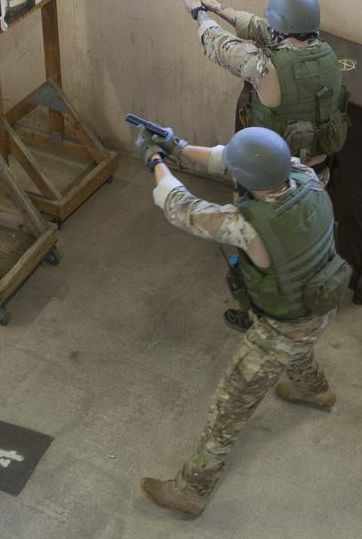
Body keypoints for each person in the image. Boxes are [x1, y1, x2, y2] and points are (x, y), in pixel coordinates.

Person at [135, 125, 349, 518]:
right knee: (299, 344)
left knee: (227, 408)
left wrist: (155, 160)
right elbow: (227, 159)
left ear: (246, 180)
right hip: (322, 302)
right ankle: (314, 391)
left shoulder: (248, 225)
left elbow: (178, 206)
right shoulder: (304, 175)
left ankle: (191, 491)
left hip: (283, 327)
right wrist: (180, 146)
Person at [177, 0, 350, 332]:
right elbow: (263, 30)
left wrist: (199, 13)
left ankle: (258, 311)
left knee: (258, 253)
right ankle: (312, 299)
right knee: (305, 245)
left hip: (271, 182)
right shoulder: (329, 56)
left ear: (280, 27)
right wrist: (218, 5)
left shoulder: (265, 67)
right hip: (316, 177)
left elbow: (220, 46)